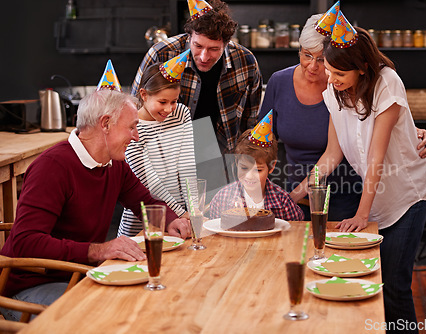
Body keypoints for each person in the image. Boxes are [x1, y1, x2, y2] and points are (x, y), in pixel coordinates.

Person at [0, 62, 191, 322]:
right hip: (28, 287)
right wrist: (98, 251)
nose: (136, 137)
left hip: (79, 273)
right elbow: (26, 242)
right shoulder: (52, 167)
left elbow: (144, 201)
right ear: (105, 124)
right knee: (111, 315)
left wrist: (174, 220)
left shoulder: (114, 165)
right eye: (131, 127)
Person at [314, 9, 426, 333]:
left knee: (395, 285)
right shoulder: (335, 90)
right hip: (379, 197)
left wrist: (361, 215)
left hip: (408, 194)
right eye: (328, 71)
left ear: (362, 68)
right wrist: (301, 190)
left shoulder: (388, 83)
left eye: (337, 73)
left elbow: (376, 157)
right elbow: (332, 153)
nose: (330, 79)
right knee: (376, 281)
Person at [259, 12, 426, 221]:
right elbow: (330, 153)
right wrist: (289, 195)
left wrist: (414, 132)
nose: (314, 66)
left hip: (356, 193)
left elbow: (380, 134)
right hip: (306, 188)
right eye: (306, 55)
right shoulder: (326, 87)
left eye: (322, 60)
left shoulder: (360, 84)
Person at [131, 0, 262, 156]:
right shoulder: (162, 54)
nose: (204, 57)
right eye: (198, 46)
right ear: (189, 36)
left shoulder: (245, 62)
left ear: (227, 44)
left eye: (214, 49)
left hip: (221, 152)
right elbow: (134, 110)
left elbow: (251, 120)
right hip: (167, 152)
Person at [118, 51, 197, 237]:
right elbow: (148, 183)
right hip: (144, 218)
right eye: (162, 102)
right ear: (144, 95)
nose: (169, 109)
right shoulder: (132, 126)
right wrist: (180, 214)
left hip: (182, 217)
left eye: (174, 101)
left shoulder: (181, 114)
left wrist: (193, 212)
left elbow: (187, 167)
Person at [209, 110, 304, 221]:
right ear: (236, 164)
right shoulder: (222, 199)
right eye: (244, 168)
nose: (249, 176)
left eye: (258, 170)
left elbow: (297, 231)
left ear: (271, 167)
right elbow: (214, 235)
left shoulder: (283, 201)